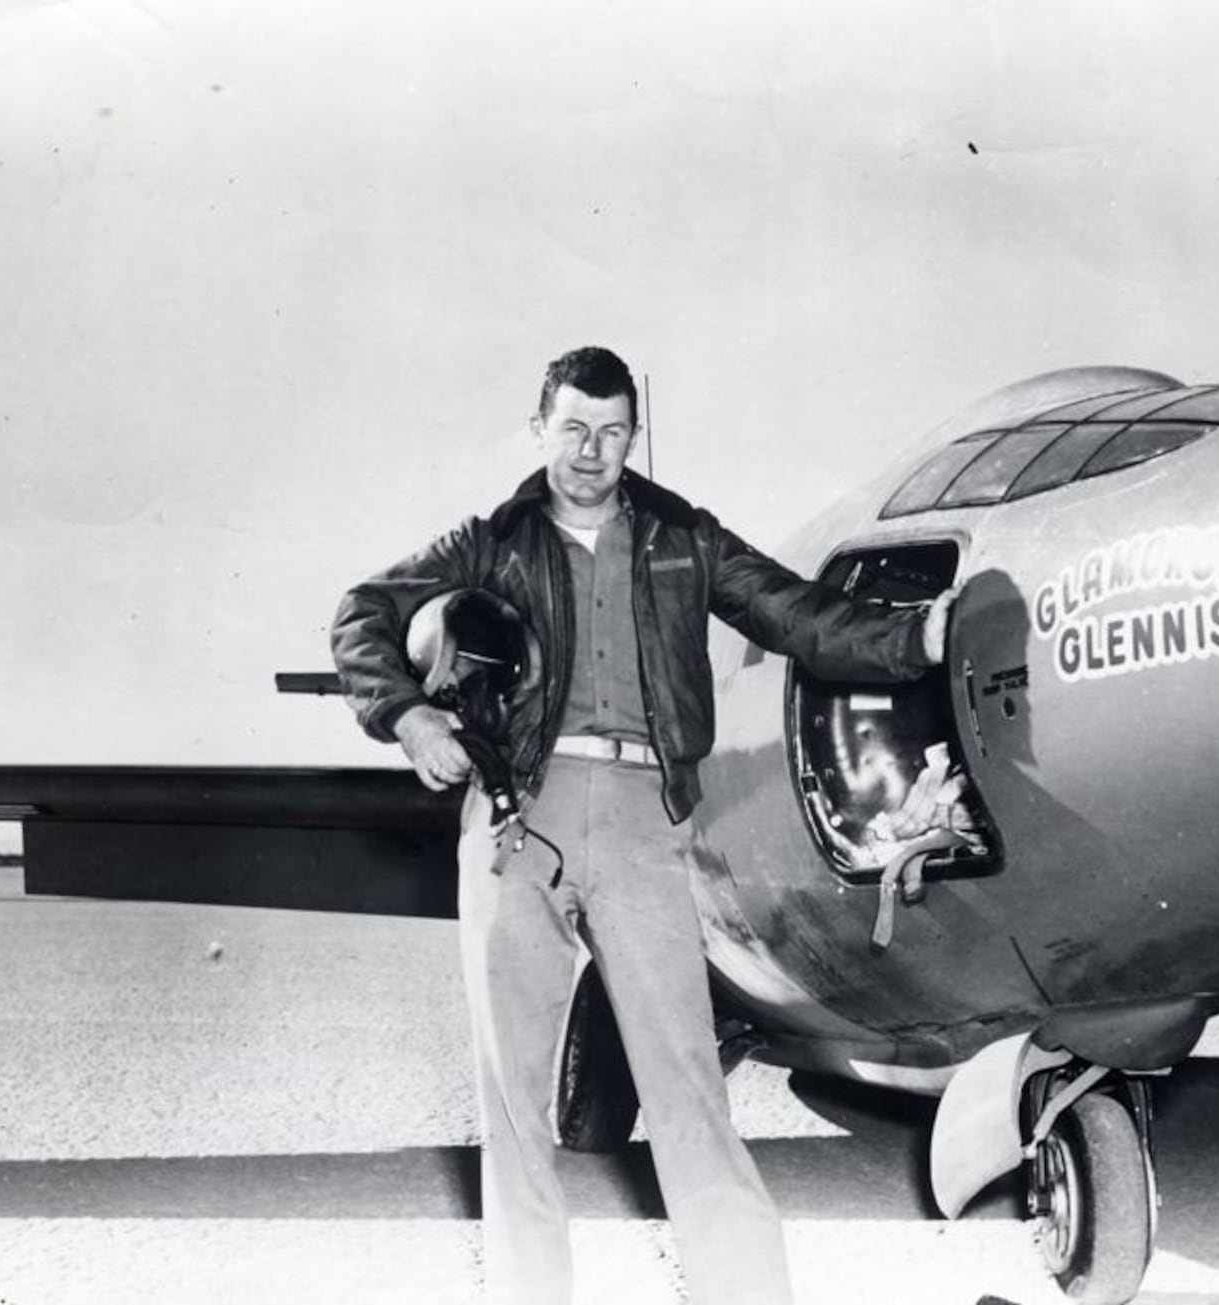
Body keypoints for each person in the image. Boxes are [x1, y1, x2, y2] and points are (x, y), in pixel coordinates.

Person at [331, 346, 955, 1305]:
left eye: (613, 431)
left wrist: (915, 638)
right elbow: (362, 613)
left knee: (687, 1086)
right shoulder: (491, 539)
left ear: (634, 434)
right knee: (513, 1099)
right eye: (574, 428)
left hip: (639, 826)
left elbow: (799, 615)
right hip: (515, 821)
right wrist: (408, 715)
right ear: (540, 428)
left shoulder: (682, 538)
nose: (592, 451)